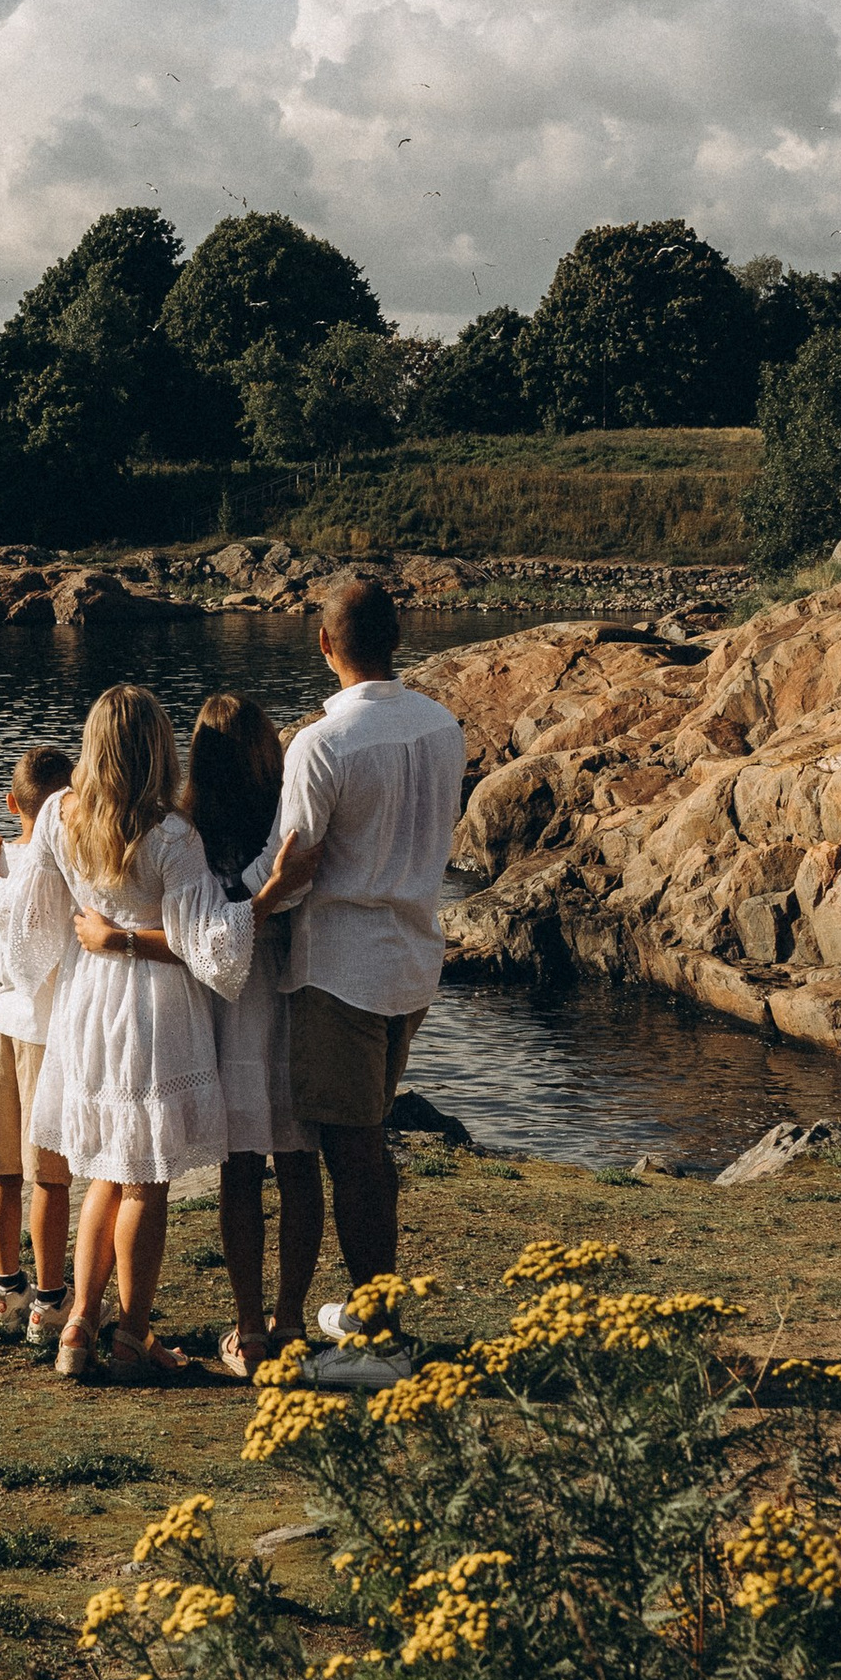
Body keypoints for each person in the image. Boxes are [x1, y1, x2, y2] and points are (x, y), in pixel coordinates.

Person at [0, 682, 253, 1384]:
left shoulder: (57, 815)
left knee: (111, 1169)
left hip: (89, 1003)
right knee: (145, 1181)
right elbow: (208, 948)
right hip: (149, 1006)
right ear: (157, 749)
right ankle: (132, 1334)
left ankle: (79, 1324)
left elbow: (38, 925)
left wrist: (100, 939)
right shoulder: (173, 835)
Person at [262, 572, 467, 1384]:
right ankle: (370, 1309)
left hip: (341, 969)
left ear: (323, 645)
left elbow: (293, 864)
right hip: (413, 956)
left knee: (353, 1153)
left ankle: (382, 1340)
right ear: (398, 639)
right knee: (368, 1143)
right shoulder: (442, 725)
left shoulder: (321, 743)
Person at [77, 695, 320, 1380]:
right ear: (269, 751)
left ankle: (248, 1327)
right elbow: (224, 925)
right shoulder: (286, 813)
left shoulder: (187, 823)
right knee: (298, 1161)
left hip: (221, 1007)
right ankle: (289, 1319)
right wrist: (271, 894)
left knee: (239, 1167)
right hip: (287, 988)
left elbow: (199, 936)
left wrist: (113, 939)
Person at [0, 742, 74, 1342]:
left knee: (2, 1169)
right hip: (47, 1027)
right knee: (49, 1175)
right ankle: (52, 1299)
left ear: (13, 803)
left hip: (4, 1022)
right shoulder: (65, 859)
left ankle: (7, 1289)